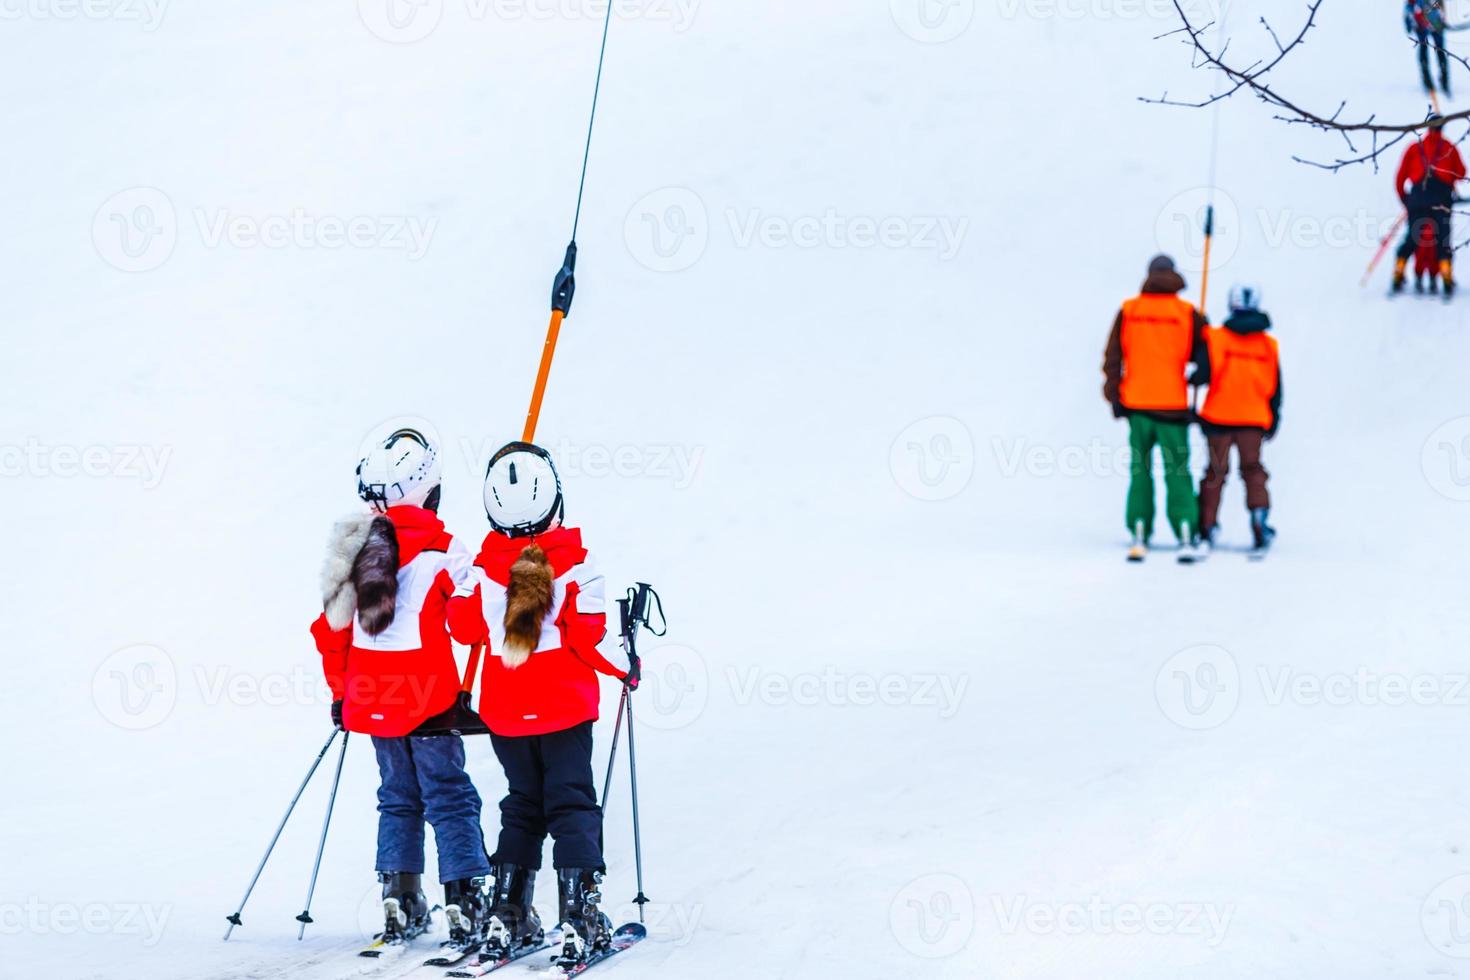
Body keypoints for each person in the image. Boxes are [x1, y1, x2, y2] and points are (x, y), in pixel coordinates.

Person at [447, 442, 634, 968]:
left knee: (523, 805)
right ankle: (578, 916)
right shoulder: (577, 564)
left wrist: (473, 587)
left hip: (506, 712)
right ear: (555, 499)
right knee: (571, 803)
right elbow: (590, 639)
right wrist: (628, 667)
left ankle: (508, 913)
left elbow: (461, 625)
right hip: (565, 711)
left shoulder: (484, 571)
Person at [310, 428, 492, 951]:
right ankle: (463, 898)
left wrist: (344, 693)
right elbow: (469, 628)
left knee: (397, 797)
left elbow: (331, 631)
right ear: (428, 489)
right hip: (431, 702)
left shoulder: (355, 546)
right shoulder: (445, 551)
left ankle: (400, 894)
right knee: (449, 797)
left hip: (373, 702)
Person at [1102, 254, 1210, 562]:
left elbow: (1112, 358)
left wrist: (1115, 397)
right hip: (1173, 407)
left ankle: (1139, 527)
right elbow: (1205, 358)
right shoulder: (1189, 313)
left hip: (1137, 405)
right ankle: (1186, 530)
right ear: (1173, 275)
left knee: (1140, 470)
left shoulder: (1129, 310)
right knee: (1178, 471)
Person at [1196, 285, 1282, 555]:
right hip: (1253, 419)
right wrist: (1274, 418)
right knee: (1253, 470)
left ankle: (1207, 526)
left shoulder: (1217, 339)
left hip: (1218, 417)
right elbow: (1276, 388)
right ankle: (1259, 521)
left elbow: (1203, 374)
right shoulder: (1268, 345)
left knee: (1215, 473)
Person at [1393, 114, 1466, 296]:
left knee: (1412, 237)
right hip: (1442, 201)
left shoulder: (1415, 148)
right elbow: (1461, 173)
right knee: (1443, 241)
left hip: (1417, 200)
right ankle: (1446, 277)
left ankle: (1398, 272)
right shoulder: (1449, 148)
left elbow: (1400, 177)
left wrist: (1406, 200)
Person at [1406, 0, 1451, 95]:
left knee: (1441, 50)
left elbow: (1441, 4)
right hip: (1421, 26)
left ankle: (1444, 79)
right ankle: (1427, 80)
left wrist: (1444, 19)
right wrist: (1410, 23)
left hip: (1436, 23)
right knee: (1424, 50)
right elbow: (1409, 7)